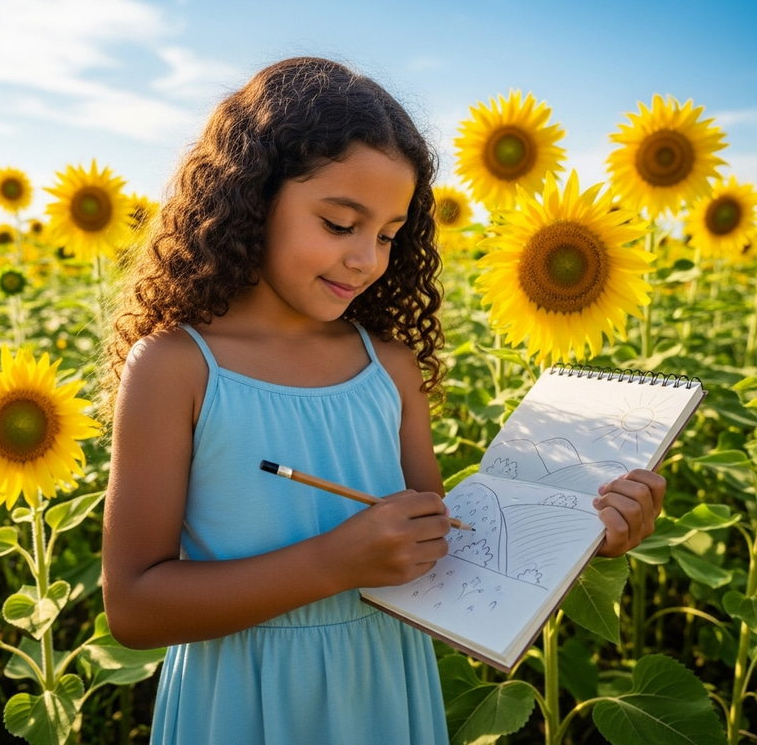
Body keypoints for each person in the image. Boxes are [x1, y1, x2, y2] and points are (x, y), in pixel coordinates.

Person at [100, 56, 666, 745]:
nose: (367, 259)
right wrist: (331, 564)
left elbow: (442, 557)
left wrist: (584, 532)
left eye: (389, 236)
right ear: (250, 198)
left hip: (384, 689)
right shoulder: (176, 366)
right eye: (340, 224)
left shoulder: (388, 367)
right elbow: (133, 606)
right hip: (240, 701)